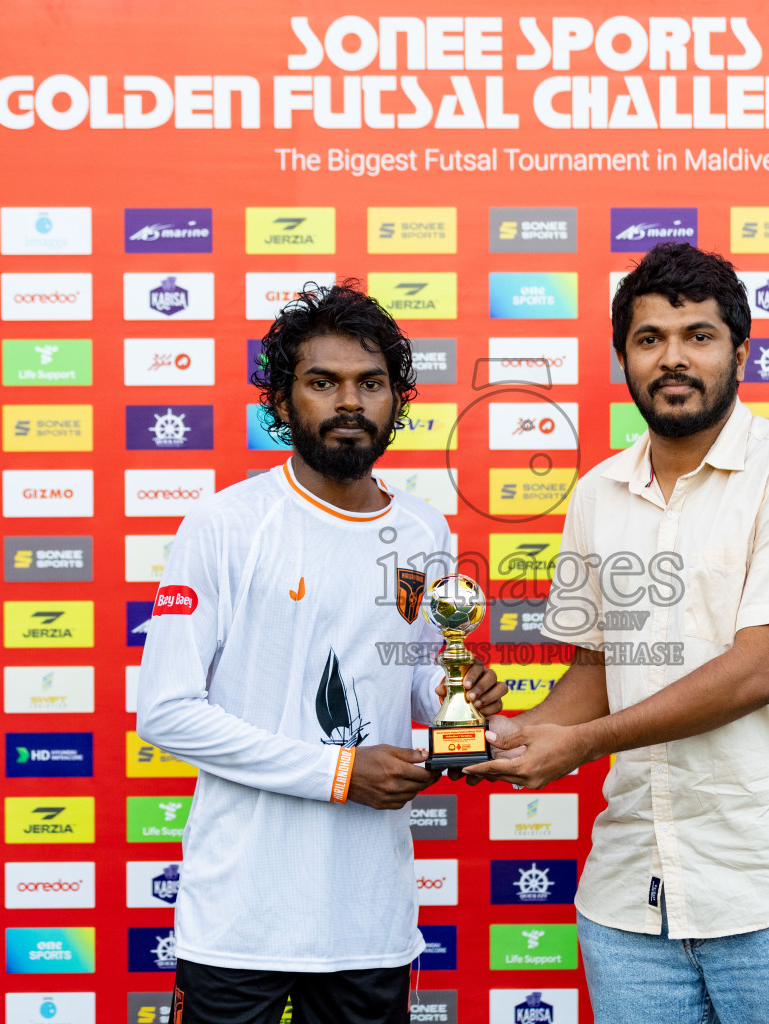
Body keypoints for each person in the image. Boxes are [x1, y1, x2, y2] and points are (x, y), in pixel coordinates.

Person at [468, 243, 769, 1023]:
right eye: (650, 339)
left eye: (698, 335)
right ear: (623, 356)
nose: (673, 358)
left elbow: (760, 670)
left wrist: (582, 745)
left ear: (740, 353)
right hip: (630, 902)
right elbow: (596, 671)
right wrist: (517, 734)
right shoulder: (597, 494)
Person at [137, 280, 505, 1024]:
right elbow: (167, 714)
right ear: (280, 403)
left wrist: (452, 695)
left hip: (368, 921)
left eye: (370, 384)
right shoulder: (225, 525)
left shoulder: (426, 532)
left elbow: (411, 673)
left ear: (397, 401)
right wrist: (339, 772)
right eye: (322, 382)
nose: (349, 402)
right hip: (240, 920)